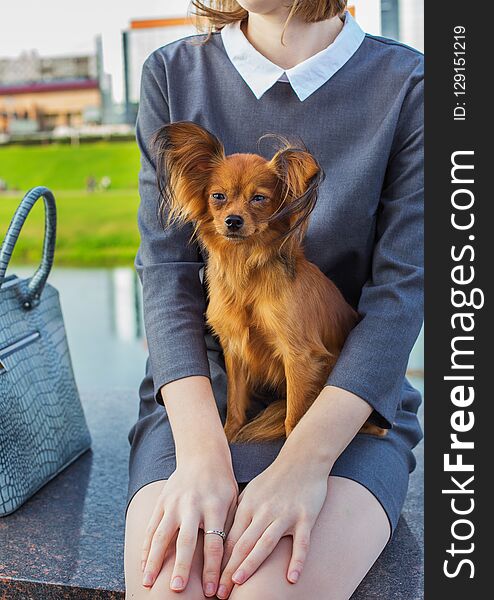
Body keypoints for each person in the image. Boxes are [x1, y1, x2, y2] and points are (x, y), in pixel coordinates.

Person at [124, 1, 424, 599]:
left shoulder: (411, 85)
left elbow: (402, 293)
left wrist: (303, 463)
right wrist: (203, 455)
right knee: (174, 588)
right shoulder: (173, 72)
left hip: (346, 403)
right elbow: (166, 270)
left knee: (268, 590)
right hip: (196, 401)